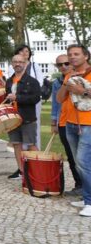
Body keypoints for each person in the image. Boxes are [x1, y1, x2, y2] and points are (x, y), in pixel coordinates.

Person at [57, 44, 91, 216]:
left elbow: (83, 93)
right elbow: (59, 98)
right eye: (70, 54)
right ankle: (87, 198)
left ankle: (90, 202)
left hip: (88, 123)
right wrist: (67, 82)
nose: (72, 57)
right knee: (79, 163)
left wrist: (81, 91)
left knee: (83, 162)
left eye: (76, 54)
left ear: (86, 56)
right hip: (70, 123)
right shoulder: (69, 74)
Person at [5, 54, 42, 180]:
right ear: (12, 64)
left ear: (26, 63)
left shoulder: (32, 81)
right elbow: (7, 98)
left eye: (20, 62)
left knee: (31, 144)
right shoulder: (9, 81)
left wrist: (18, 98)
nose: (17, 64)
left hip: (27, 118)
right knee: (16, 144)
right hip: (12, 119)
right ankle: (21, 172)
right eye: (15, 62)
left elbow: (35, 99)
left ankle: (38, 170)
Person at [51, 53, 82, 196]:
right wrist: (53, 122)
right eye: (60, 65)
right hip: (63, 123)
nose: (63, 66)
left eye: (66, 63)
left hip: (80, 122)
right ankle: (79, 185)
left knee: (82, 157)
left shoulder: (80, 78)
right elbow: (56, 104)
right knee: (71, 156)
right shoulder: (57, 82)